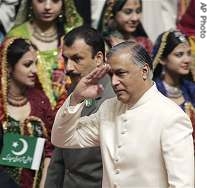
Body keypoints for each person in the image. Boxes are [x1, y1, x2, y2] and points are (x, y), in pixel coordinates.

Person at [51, 41, 194, 188]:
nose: (114, 82)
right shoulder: (109, 108)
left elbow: (183, 184)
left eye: (120, 73)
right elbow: (61, 139)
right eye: (111, 74)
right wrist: (76, 97)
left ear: (144, 71)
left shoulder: (171, 116)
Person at [45, 26, 115, 188]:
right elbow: (59, 156)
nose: (68, 67)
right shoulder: (74, 90)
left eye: (77, 59)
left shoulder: (113, 100)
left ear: (98, 58)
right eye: (66, 59)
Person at [7, 0, 83, 108]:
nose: (47, 6)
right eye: (40, 0)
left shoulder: (74, 35)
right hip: (29, 109)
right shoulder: (16, 37)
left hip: (72, 109)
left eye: (55, 0)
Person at [0, 37, 54, 188]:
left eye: (35, 63)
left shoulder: (40, 101)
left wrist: (44, 184)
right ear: (9, 67)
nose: (35, 70)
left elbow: (50, 149)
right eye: (27, 64)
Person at [152, 29, 195, 140]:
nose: (187, 60)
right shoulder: (152, 92)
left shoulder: (193, 90)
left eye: (188, 54)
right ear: (162, 59)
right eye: (179, 55)